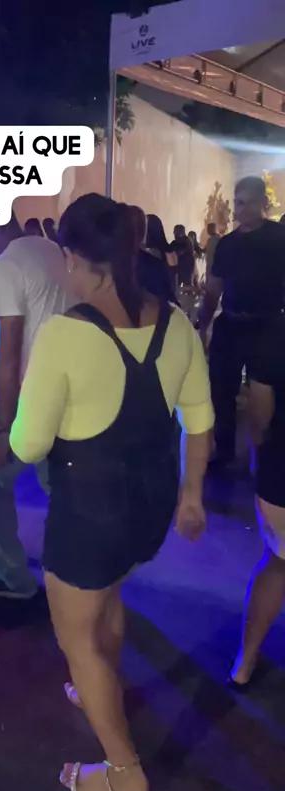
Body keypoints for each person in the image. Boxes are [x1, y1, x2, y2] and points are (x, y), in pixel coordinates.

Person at [9, 193, 213, 791]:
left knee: (77, 638)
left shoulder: (64, 334)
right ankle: (98, 684)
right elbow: (200, 421)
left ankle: (125, 773)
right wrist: (192, 497)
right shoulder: (175, 323)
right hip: (150, 504)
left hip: (89, 514)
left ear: (75, 258)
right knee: (109, 595)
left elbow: (27, 443)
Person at [0, 213, 69, 597]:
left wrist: (4, 426)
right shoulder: (51, 249)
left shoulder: (6, 266)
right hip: (69, 389)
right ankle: (74, 576)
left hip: (35, 395)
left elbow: (8, 353)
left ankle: (14, 578)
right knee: (61, 487)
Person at [199, 176, 285, 468]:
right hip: (232, 323)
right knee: (221, 390)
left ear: (263, 203)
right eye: (237, 202)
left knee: (266, 392)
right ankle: (224, 451)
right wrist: (204, 324)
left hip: (267, 324)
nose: (239, 209)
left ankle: (265, 456)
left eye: (246, 203)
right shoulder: (227, 244)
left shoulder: (279, 238)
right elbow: (214, 288)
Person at [230, 315, 285, 688]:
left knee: (278, 564)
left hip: (282, 470)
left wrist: (257, 455)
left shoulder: (277, 330)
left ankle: (244, 664)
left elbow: (259, 410)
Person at [170, 225, 195, 289]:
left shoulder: (187, 242)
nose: (174, 234)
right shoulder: (175, 243)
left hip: (185, 269)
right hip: (179, 269)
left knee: (187, 287)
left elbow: (181, 252)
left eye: (176, 232)